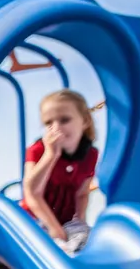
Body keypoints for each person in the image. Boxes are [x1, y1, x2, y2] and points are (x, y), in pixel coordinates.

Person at [21, 89, 99, 255]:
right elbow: (32, 193)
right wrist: (51, 154)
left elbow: (82, 194)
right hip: (35, 219)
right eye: (49, 123)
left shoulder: (90, 154)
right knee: (54, 247)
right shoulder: (37, 150)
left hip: (66, 222)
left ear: (84, 121)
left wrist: (80, 221)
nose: (56, 128)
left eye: (64, 120)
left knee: (91, 241)